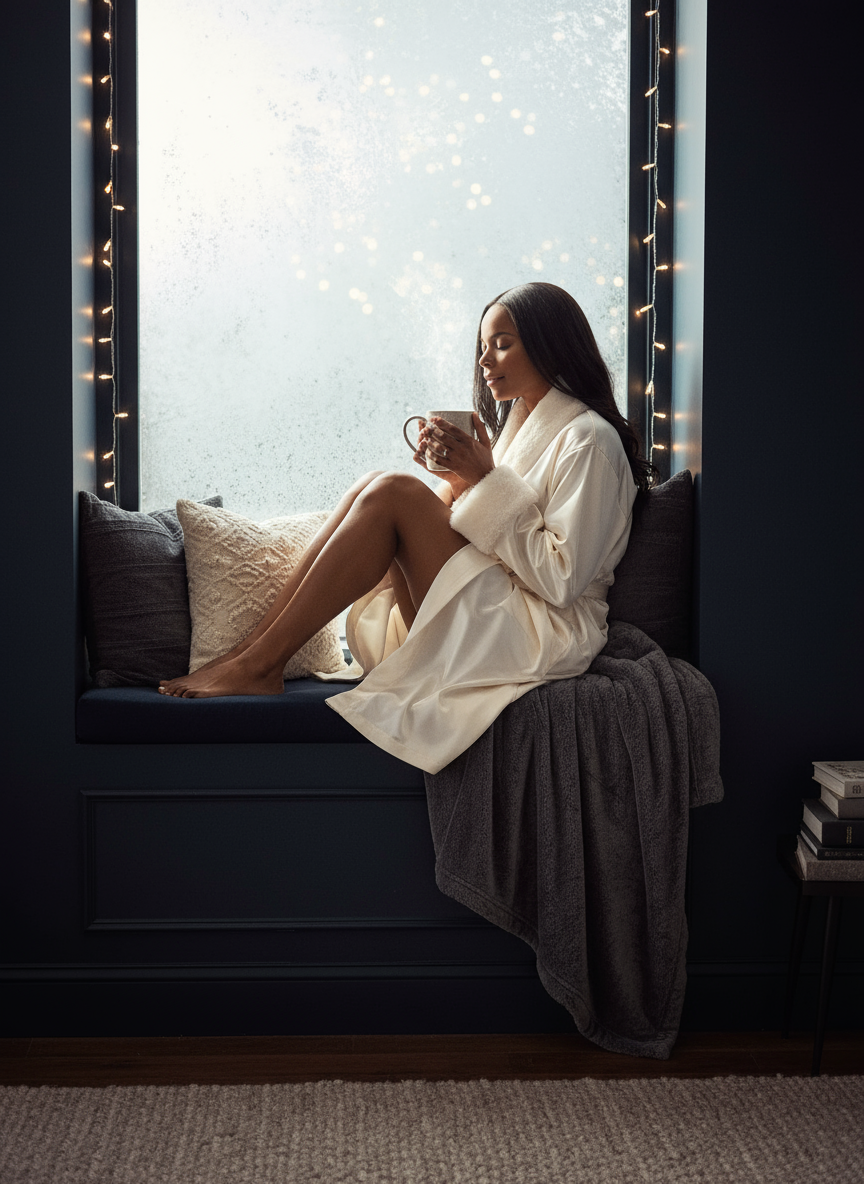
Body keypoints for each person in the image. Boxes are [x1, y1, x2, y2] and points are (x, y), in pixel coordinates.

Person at [158, 282, 658, 773]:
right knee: (375, 484)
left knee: (393, 490)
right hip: (492, 608)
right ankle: (250, 655)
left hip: (538, 633)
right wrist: (456, 477)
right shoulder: (521, 431)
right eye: (483, 348)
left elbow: (561, 580)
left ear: (552, 346)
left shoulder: (590, 440)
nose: (485, 362)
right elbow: (468, 528)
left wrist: (482, 476)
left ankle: (259, 665)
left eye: (503, 346)